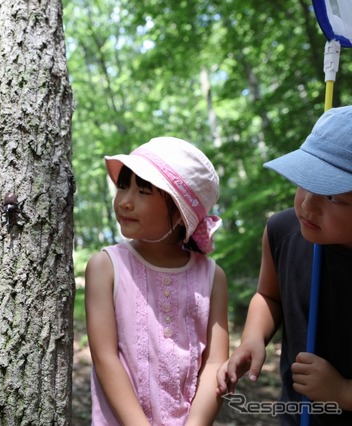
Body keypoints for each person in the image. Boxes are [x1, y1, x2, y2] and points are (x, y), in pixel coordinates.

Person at [216, 106, 352, 425]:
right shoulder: (283, 231)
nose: (306, 205)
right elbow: (269, 295)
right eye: (304, 181)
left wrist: (344, 392)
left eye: (332, 196)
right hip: (297, 413)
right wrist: (252, 337)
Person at [86, 136, 229, 425]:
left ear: (180, 213)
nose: (125, 202)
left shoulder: (212, 276)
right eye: (123, 187)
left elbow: (215, 363)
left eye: (143, 191)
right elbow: (105, 358)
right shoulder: (106, 266)